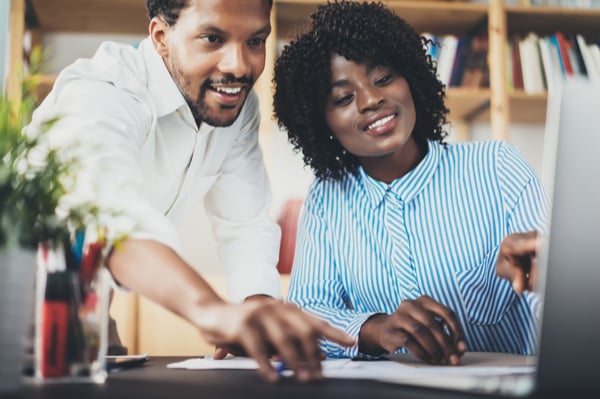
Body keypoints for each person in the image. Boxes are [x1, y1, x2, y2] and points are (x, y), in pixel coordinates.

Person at [25, 0, 353, 382]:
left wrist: (258, 308)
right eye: (212, 38)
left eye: (255, 41)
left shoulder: (236, 108)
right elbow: (104, 216)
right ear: (161, 37)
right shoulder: (104, 92)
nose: (239, 66)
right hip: (15, 311)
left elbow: (244, 223)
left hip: (85, 315)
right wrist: (213, 311)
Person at [273, 0, 548, 365]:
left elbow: (564, 305)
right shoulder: (326, 200)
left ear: (411, 78)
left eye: (384, 77)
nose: (372, 100)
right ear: (320, 124)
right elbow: (307, 311)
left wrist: (548, 274)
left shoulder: (497, 168)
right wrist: (372, 329)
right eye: (343, 97)